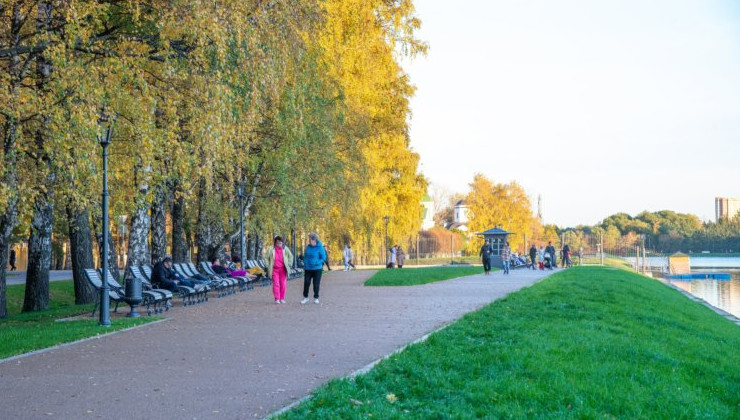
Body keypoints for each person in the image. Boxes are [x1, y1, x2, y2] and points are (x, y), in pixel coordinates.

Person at [265, 236, 294, 304]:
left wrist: (289, 264)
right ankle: (277, 298)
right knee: (276, 284)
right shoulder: (271, 249)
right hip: (274, 270)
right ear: (275, 243)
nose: (279, 244)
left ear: (282, 243)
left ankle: (282, 298)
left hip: (283, 270)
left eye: (280, 243)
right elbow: (266, 257)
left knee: (283, 284)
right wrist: (267, 265)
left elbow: (291, 256)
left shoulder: (285, 249)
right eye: (277, 243)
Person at [302, 233, 327, 304]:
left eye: (310, 239)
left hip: (317, 269)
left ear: (314, 239)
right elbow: (306, 256)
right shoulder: (308, 247)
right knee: (306, 283)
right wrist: (305, 263)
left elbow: (324, 258)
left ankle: (316, 298)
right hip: (308, 269)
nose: (309, 241)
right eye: (309, 240)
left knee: (316, 284)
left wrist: (317, 262)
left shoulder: (320, 247)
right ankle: (305, 297)